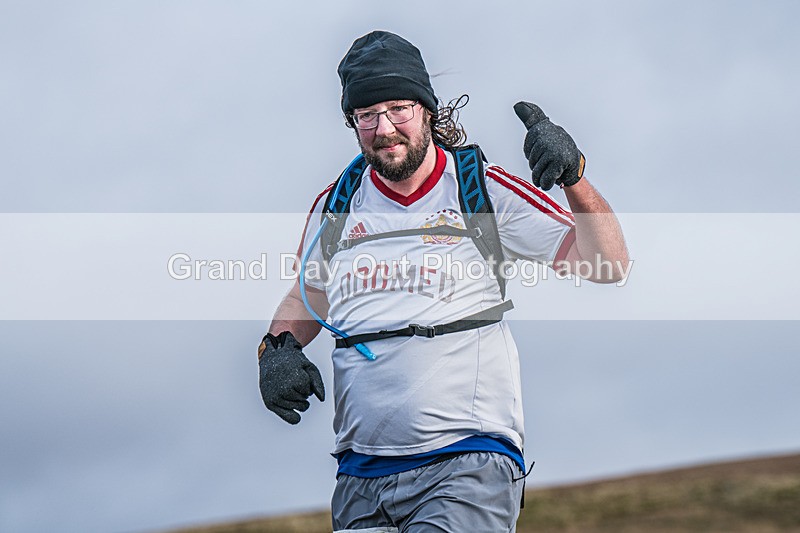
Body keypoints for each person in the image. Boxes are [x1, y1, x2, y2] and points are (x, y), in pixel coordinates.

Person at [258, 30, 629, 532]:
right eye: (367, 115)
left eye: (398, 109)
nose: (384, 128)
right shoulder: (337, 204)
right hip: (359, 474)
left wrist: (574, 176)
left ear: (428, 110)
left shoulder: (481, 190)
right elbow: (310, 295)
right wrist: (276, 350)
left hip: (468, 461)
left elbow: (608, 264)